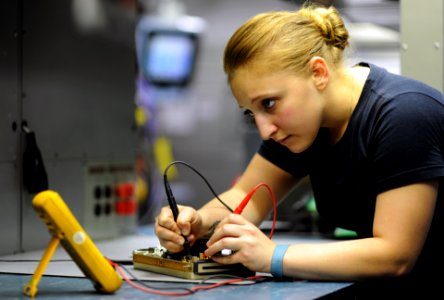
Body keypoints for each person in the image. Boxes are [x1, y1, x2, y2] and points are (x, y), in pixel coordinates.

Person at [154, 3, 443, 298]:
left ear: (318, 73)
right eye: (251, 113)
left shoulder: (403, 114)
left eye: (269, 103)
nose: (265, 130)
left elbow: (394, 255)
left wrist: (272, 257)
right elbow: (246, 197)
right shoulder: (306, 125)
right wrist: (196, 223)